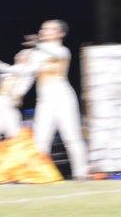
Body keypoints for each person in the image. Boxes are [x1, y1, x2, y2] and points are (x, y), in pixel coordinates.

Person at [22, 19, 89, 180]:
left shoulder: (63, 50)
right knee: (40, 139)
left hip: (63, 97)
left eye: (50, 29)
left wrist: (37, 45)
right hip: (44, 100)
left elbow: (57, 54)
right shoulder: (37, 53)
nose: (44, 31)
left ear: (61, 33)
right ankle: (40, 175)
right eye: (43, 28)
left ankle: (81, 174)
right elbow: (28, 73)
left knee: (71, 137)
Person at [0, 50, 35, 149]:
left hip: (9, 107)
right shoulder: (8, 72)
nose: (18, 55)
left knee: (14, 138)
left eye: (23, 54)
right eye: (19, 53)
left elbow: (9, 70)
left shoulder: (27, 72)